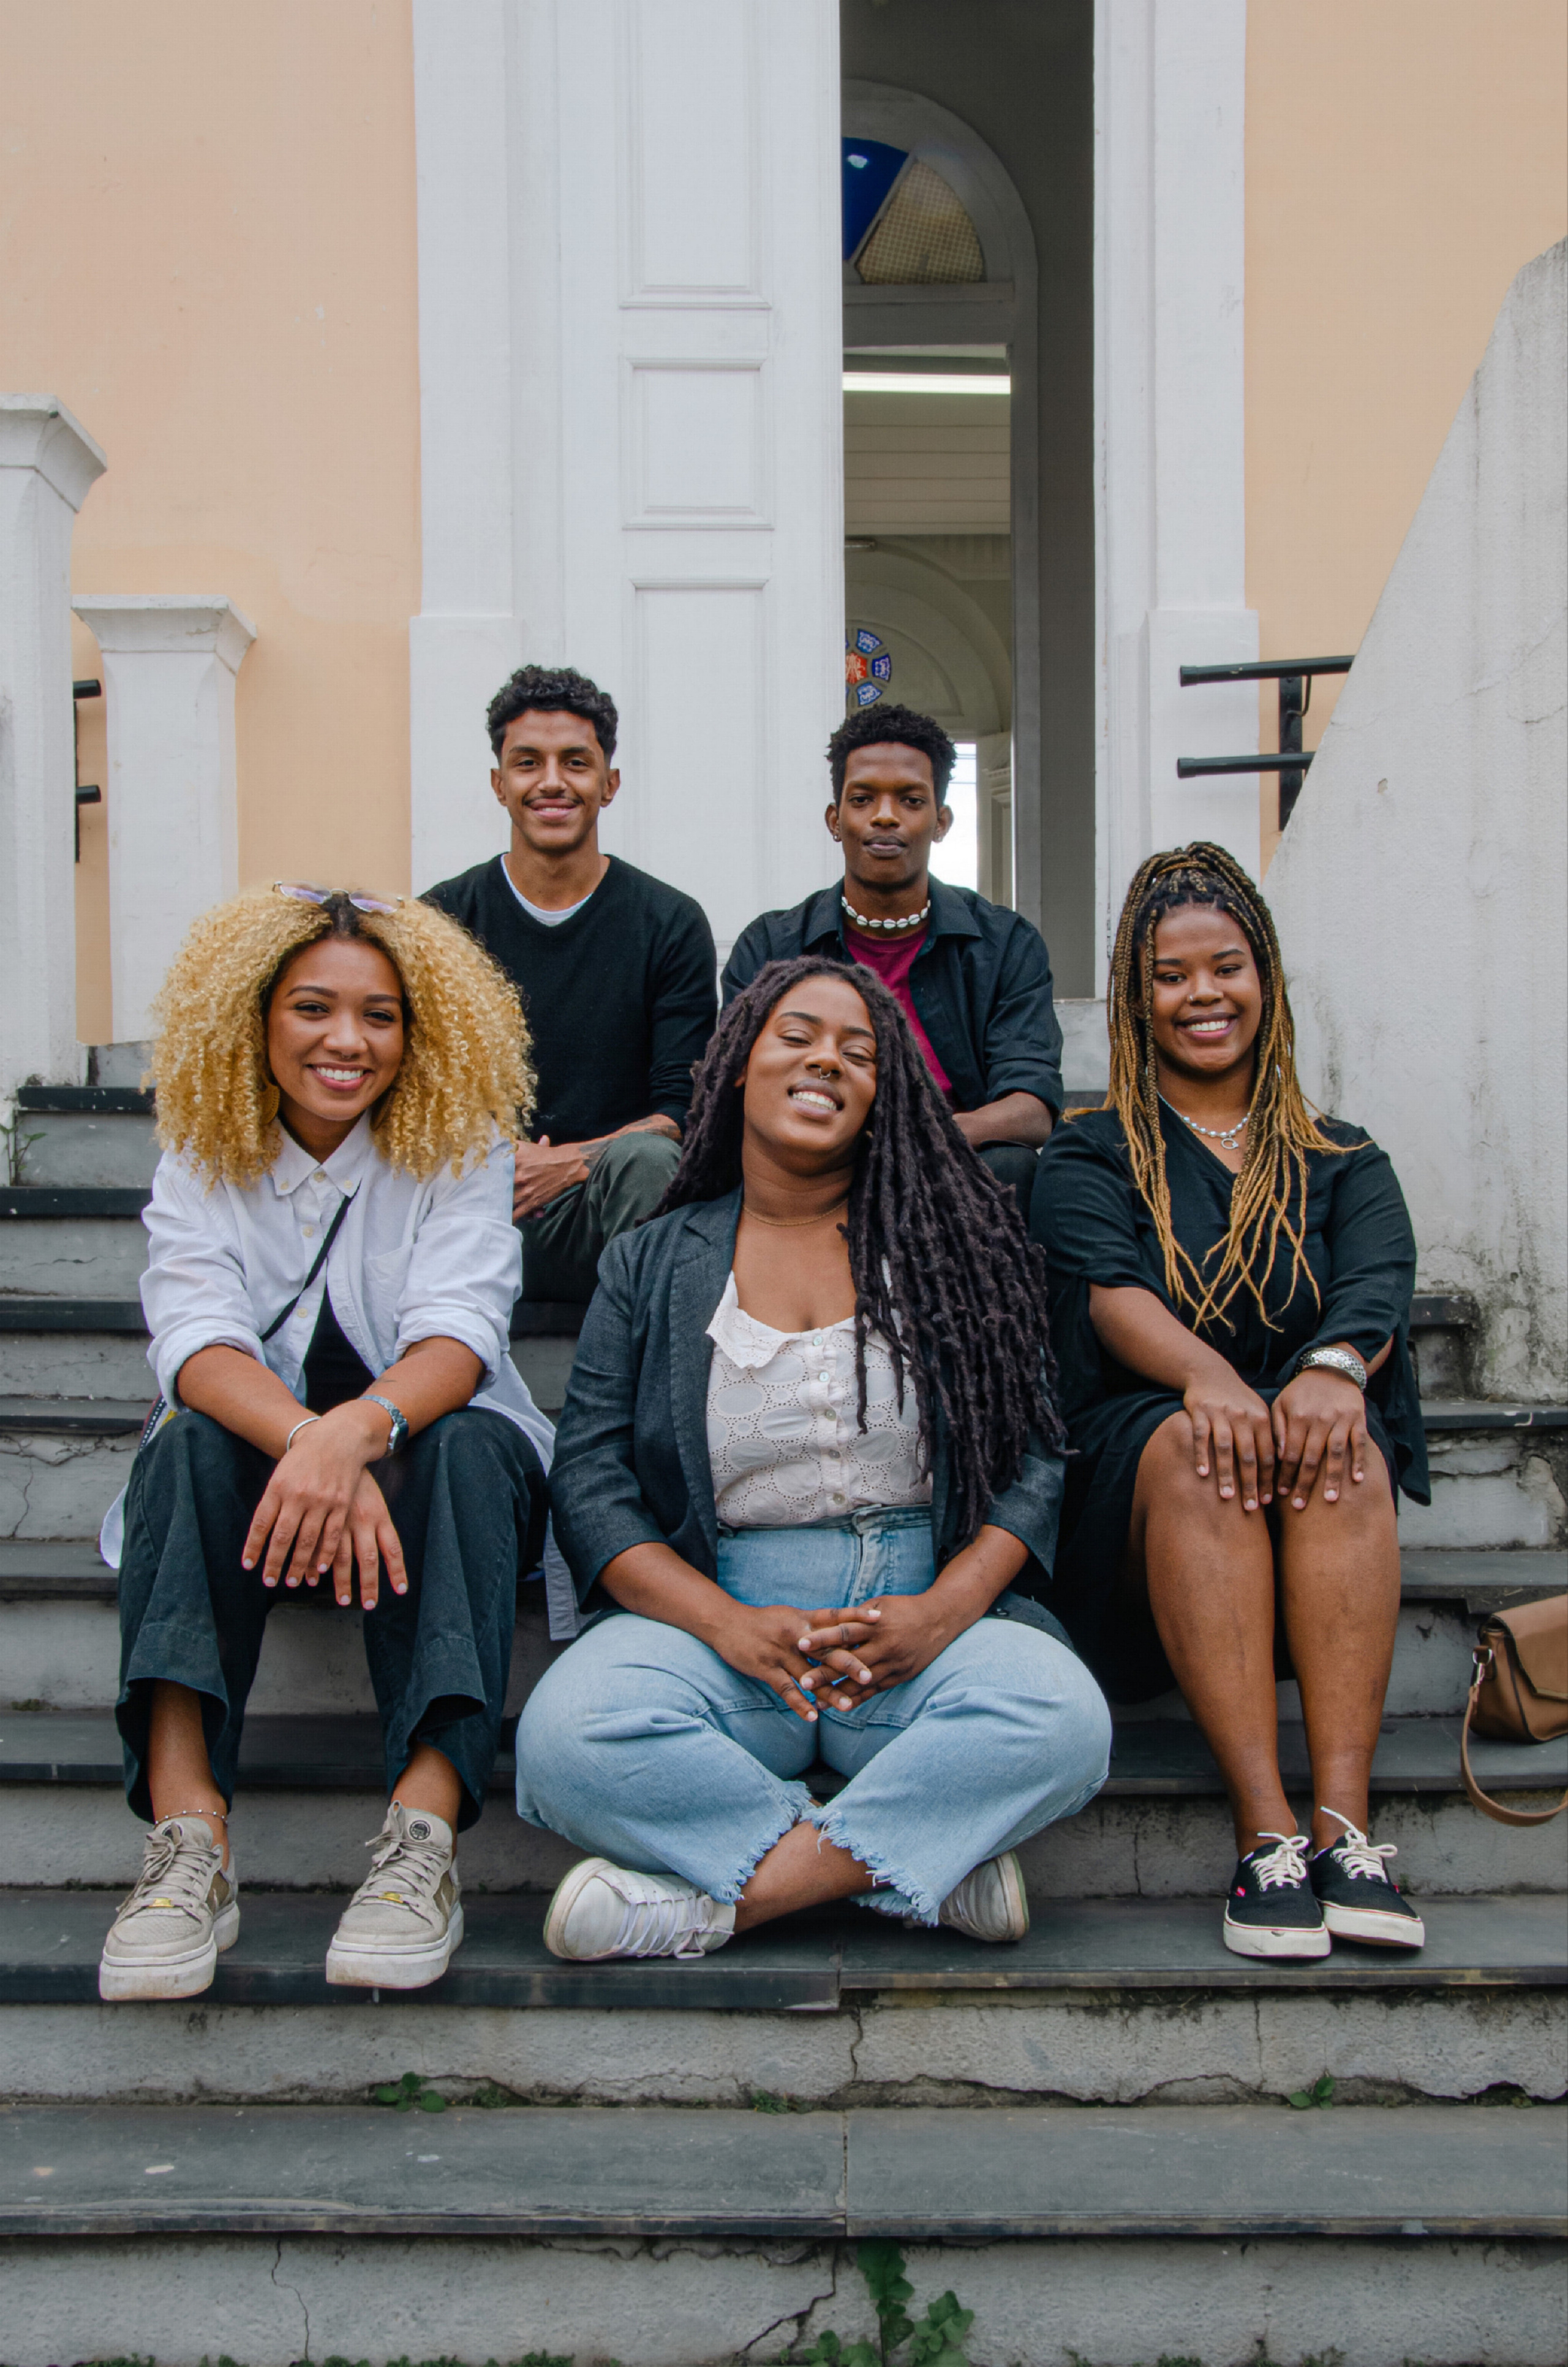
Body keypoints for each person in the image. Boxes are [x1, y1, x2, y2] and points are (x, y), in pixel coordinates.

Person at [514, 956, 1111, 1963]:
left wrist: (939, 1614)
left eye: (859, 1049)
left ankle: (728, 1902)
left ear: (888, 1094)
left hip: (920, 1624)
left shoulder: (955, 1245)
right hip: (725, 1629)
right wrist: (729, 1625)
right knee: (566, 1734)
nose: (825, 1059)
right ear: (739, 1064)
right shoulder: (650, 1261)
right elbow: (591, 1481)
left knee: (1064, 1718)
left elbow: (1036, 1459)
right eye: (796, 1035)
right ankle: (919, 1863)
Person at [97, 885, 553, 2003]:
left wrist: (356, 1430)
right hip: (266, 1460)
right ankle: (188, 1840)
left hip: (427, 1452)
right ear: (254, 1017)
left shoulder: (461, 1144)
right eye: (313, 1006)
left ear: (419, 1031)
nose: (347, 1040)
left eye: (381, 1015)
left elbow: (463, 1332)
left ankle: (422, 1838)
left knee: (473, 1450)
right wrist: (311, 1444)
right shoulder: (205, 1149)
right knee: (185, 1444)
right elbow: (193, 1337)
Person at [1031, 844, 1430, 1961]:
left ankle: (1345, 1831)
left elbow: (1373, 1284)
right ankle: (1265, 1832)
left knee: (1344, 1439)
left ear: (1267, 978)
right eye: (1171, 974)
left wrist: (1330, 1369)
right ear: (1135, 997)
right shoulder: (1090, 1149)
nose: (1204, 994)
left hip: (1308, 1456)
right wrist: (1208, 1376)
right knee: (1200, 1442)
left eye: (1228, 966)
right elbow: (1110, 1293)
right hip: (1151, 1456)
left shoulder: (1343, 1155)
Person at [424, 665, 717, 1304]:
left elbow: (680, 1112)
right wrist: (498, 1166)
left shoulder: (667, 922)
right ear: (500, 784)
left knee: (649, 1163)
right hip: (465, 1206)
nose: (552, 782)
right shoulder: (440, 921)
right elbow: (418, 1091)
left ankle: (637, 1389)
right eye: (528, 763)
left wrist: (573, 1160)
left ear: (608, 784)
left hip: (605, 1210)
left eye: (575, 763)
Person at [722, 704, 1063, 1221]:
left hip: (949, 1169)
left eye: (910, 800)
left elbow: (1031, 1107)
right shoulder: (773, 945)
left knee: (1013, 1164)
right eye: (863, 799)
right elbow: (738, 1086)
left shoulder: (1004, 944)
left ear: (940, 821)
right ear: (836, 820)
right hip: (812, 1163)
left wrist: (919, 1138)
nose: (885, 816)